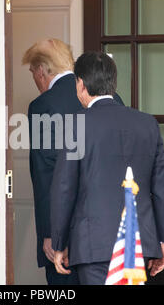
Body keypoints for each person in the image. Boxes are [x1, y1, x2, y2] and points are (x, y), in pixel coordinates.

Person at [50, 51, 164, 285]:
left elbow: (64, 189)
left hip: (92, 245)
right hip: (138, 243)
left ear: (81, 84)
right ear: (112, 83)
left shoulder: (77, 125)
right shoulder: (148, 124)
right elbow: (162, 187)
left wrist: (59, 242)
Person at [23, 38, 122, 285]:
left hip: (65, 229)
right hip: (107, 229)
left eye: (32, 72)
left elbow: (45, 171)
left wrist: (49, 233)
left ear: (42, 70)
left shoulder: (43, 105)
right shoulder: (113, 98)